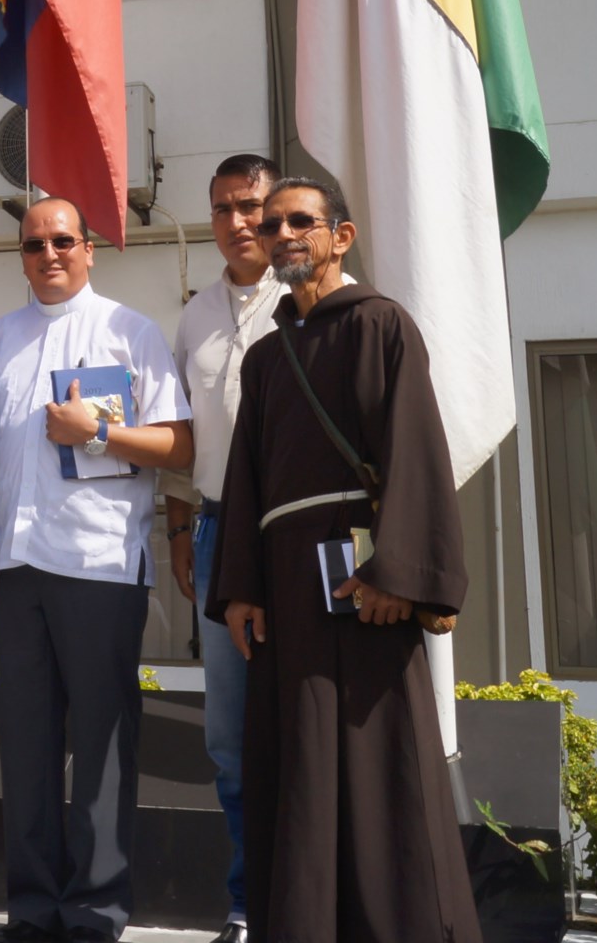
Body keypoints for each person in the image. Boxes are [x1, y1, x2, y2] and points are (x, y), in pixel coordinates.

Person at [211, 177, 477, 943]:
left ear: (341, 236)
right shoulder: (265, 358)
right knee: (297, 759)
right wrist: (241, 589)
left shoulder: (382, 324)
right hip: (286, 591)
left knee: (376, 758)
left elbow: (415, 450)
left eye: (301, 221)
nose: (282, 235)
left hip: (368, 584)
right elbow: (245, 476)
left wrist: (399, 570)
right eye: (271, 225)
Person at [0, 199, 191, 943]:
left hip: (97, 565)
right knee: (25, 748)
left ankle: (95, 913)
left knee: (101, 746)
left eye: (63, 241)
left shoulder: (132, 331)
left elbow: (179, 444)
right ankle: (33, 911)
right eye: (34, 244)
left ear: (90, 249)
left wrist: (96, 431)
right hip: (16, 566)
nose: (49, 255)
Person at [159, 154, 283, 943]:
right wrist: (179, 528)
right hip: (215, 531)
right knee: (230, 737)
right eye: (222, 209)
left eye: (250, 205)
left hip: (296, 536)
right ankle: (246, 903)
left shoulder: (312, 301)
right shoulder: (196, 315)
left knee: (303, 723)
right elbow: (183, 437)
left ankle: (307, 898)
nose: (237, 222)